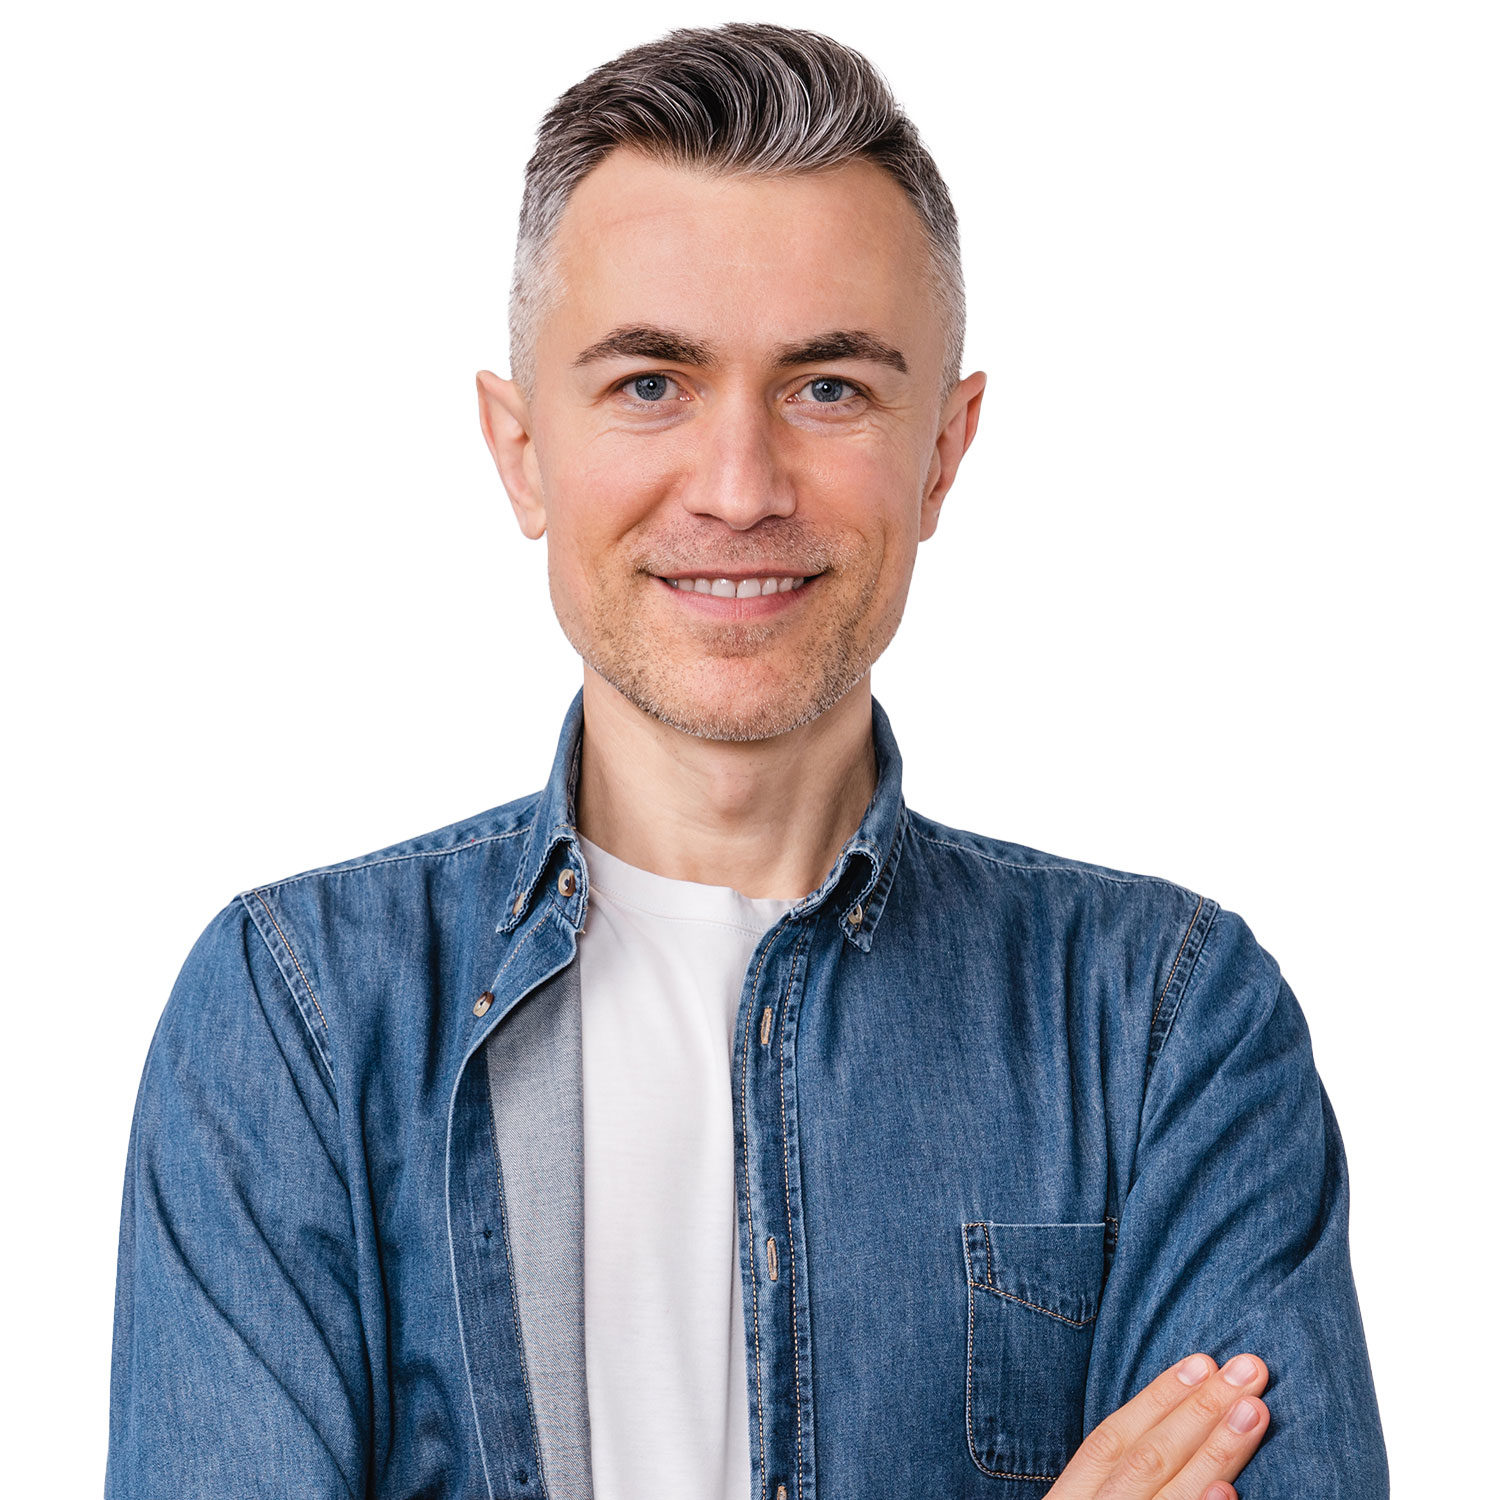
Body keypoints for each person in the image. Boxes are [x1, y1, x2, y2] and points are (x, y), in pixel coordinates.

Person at [105, 22, 1388, 1500]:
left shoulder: (1164, 1025)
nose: (738, 487)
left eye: (828, 388)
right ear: (522, 450)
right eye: (651, 381)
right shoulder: (302, 1020)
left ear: (944, 454)